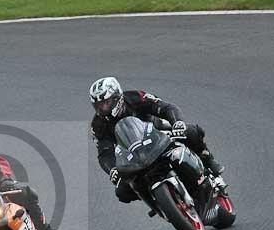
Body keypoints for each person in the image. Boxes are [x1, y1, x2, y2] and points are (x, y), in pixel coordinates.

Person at [88, 76, 228, 202]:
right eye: (98, 106)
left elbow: (165, 107)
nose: (103, 108)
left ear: (116, 96)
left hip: (157, 133)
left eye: (106, 103)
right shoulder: (98, 125)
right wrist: (112, 169)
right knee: (122, 192)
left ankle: (209, 160)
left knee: (191, 131)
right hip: (133, 154)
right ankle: (157, 201)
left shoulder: (134, 97)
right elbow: (104, 153)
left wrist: (177, 123)